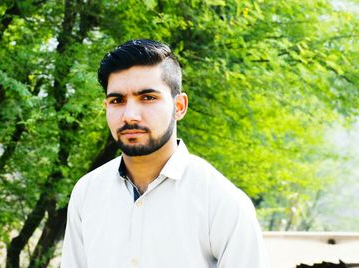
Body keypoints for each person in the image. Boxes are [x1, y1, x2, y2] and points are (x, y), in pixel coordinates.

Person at [61, 39, 268, 268]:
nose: (130, 115)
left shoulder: (220, 200)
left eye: (148, 98)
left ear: (179, 106)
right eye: (117, 100)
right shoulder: (88, 192)